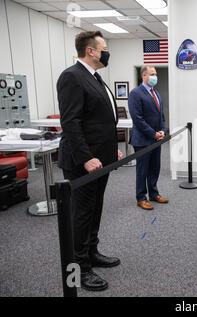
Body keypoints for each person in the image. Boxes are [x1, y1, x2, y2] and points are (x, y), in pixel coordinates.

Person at [57, 31, 122, 291]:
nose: (107, 52)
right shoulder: (72, 76)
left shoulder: (95, 77)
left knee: (95, 210)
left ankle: (91, 253)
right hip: (83, 163)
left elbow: (100, 121)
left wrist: (109, 151)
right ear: (91, 51)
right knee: (81, 215)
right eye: (104, 48)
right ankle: (80, 269)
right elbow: (71, 123)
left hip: (100, 160)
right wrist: (86, 158)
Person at [128, 66, 169, 211]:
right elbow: (137, 119)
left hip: (156, 139)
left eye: (156, 74)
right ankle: (141, 197)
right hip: (142, 139)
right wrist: (153, 133)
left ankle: (154, 193)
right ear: (144, 76)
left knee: (154, 168)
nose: (155, 77)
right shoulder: (135, 94)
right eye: (152, 74)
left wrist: (163, 131)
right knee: (142, 170)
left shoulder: (156, 93)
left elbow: (160, 116)